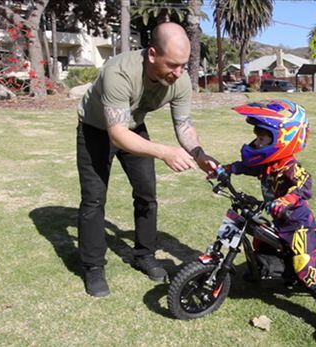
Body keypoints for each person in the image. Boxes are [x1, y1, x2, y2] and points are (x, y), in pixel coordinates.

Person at [76, 22, 217, 297]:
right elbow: (117, 134)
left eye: (183, 65)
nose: (179, 73)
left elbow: (184, 125)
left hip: (133, 126)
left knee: (146, 194)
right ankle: (93, 267)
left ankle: (144, 255)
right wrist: (164, 152)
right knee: (94, 199)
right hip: (96, 129)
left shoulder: (180, 80)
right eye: (173, 65)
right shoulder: (119, 72)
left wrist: (199, 154)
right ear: (152, 54)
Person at [215, 99, 316, 343]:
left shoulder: (289, 166)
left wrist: (286, 199)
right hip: (279, 221)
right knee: (260, 243)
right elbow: (246, 167)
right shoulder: (268, 164)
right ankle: (275, 275)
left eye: (263, 138)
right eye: (257, 137)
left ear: (283, 139)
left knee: (305, 266)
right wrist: (226, 169)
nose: (257, 142)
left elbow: (304, 185)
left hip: (296, 224)